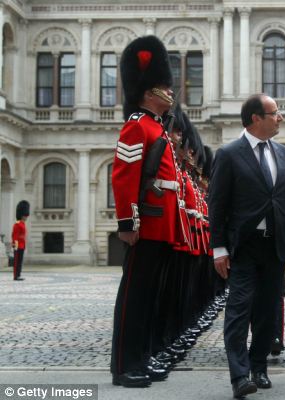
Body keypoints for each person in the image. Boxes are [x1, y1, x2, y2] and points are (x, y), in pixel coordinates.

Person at [209, 94, 285, 399]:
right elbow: (217, 205)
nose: (280, 118)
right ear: (256, 118)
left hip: (274, 246)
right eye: (274, 113)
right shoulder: (228, 154)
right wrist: (219, 249)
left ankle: (259, 366)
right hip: (243, 247)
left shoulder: (283, 154)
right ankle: (239, 376)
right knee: (238, 311)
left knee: (268, 312)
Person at [110, 35, 176, 387]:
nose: (171, 92)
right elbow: (124, 177)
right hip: (145, 226)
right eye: (165, 87)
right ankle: (124, 365)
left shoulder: (156, 128)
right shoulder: (138, 125)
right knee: (134, 298)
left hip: (161, 227)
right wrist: (127, 223)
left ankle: (141, 358)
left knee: (148, 298)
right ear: (149, 91)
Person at [12, 201, 29, 281]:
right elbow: (15, 236)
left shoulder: (22, 224)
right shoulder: (17, 224)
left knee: (20, 261)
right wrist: (15, 246)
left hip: (22, 245)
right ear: (21, 215)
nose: (26, 217)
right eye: (25, 216)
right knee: (16, 261)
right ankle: (15, 275)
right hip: (18, 245)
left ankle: (18, 274)